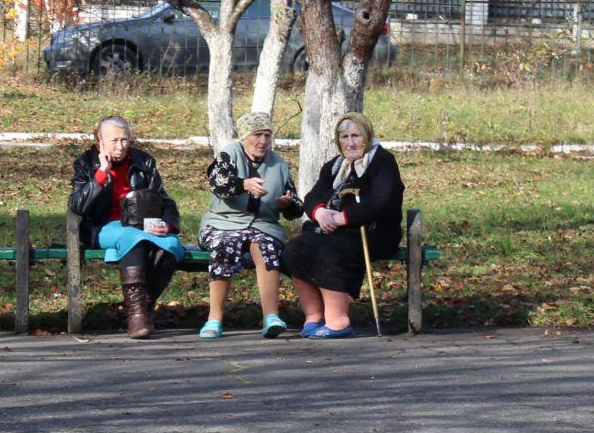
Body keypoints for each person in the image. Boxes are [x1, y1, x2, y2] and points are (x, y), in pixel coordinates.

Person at [280, 111, 404, 338]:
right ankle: (314, 316)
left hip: (373, 232)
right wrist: (320, 213)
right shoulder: (334, 166)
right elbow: (312, 197)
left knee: (329, 251)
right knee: (293, 250)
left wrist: (342, 218)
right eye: (344, 137)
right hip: (334, 231)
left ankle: (338, 320)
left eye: (356, 136)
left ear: (367, 136)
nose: (350, 142)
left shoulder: (382, 161)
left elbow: (381, 202)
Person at [69, 115, 186, 338]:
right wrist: (101, 174)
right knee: (133, 240)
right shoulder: (86, 163)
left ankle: (142, 309)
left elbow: (165, 200)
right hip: (103, 226)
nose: (120, 146)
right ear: (99, 142)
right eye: (113, 141)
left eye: (124, 140)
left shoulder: (144, 162)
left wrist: (167, 225)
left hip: (143, 225)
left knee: (171, 246)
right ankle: (136, 316)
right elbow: (77, 205)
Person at [195, 110, 301, 339]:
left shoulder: (279, 164)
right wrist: (243, 184)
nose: (262, 141)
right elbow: (219, 184)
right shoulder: (229, 155)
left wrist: (287, 204)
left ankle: (271, 317)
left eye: (267, 135)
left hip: (264, 224)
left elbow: (296, 207)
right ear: (244, 136)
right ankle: (214, 318)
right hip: (223, 223)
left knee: (267, 247)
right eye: (257, 135)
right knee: (224, 245)